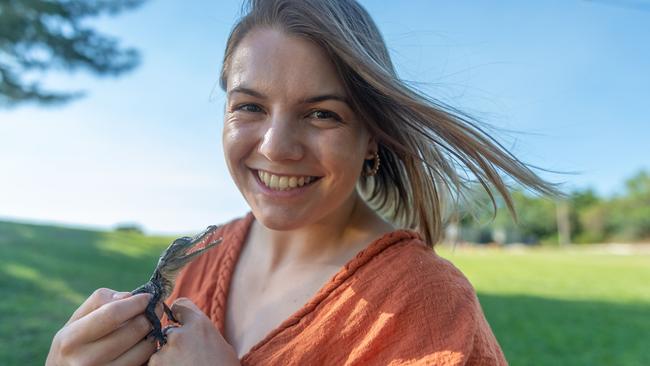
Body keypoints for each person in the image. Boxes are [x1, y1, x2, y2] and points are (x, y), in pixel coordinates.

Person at [47, 0, 558, 365]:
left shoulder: (426, 304)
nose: (276, 146)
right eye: (249, 106)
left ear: (372, 136)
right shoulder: (205, 258)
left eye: (321, 114)